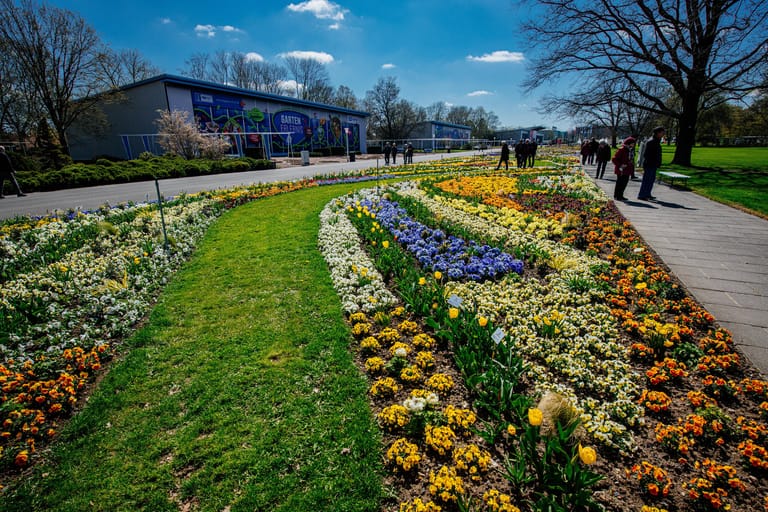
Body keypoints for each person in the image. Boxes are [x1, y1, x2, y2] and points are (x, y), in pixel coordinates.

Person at [638, 126, 665, 201]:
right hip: (650, 164)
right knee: (647, 180)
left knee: (651, 180)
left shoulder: (656, 141)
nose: (663, 134)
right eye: (662, 132)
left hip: (653, 164)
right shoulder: (651, 141)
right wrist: (652, 162)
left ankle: (647, 193)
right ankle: (642, 195)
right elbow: (647, 154)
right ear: (658, 133)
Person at [611, 137, 635, 201]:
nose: (633, 145)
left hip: (627, 169)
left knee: (624, 183)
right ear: (629, 143)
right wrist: (620, 165)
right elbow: (614, 159)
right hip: (621, 170)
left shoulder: (630, 150)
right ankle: (617, 196)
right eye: (632, 143)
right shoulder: (622, 150)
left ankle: (621, 195)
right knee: (620, 183)